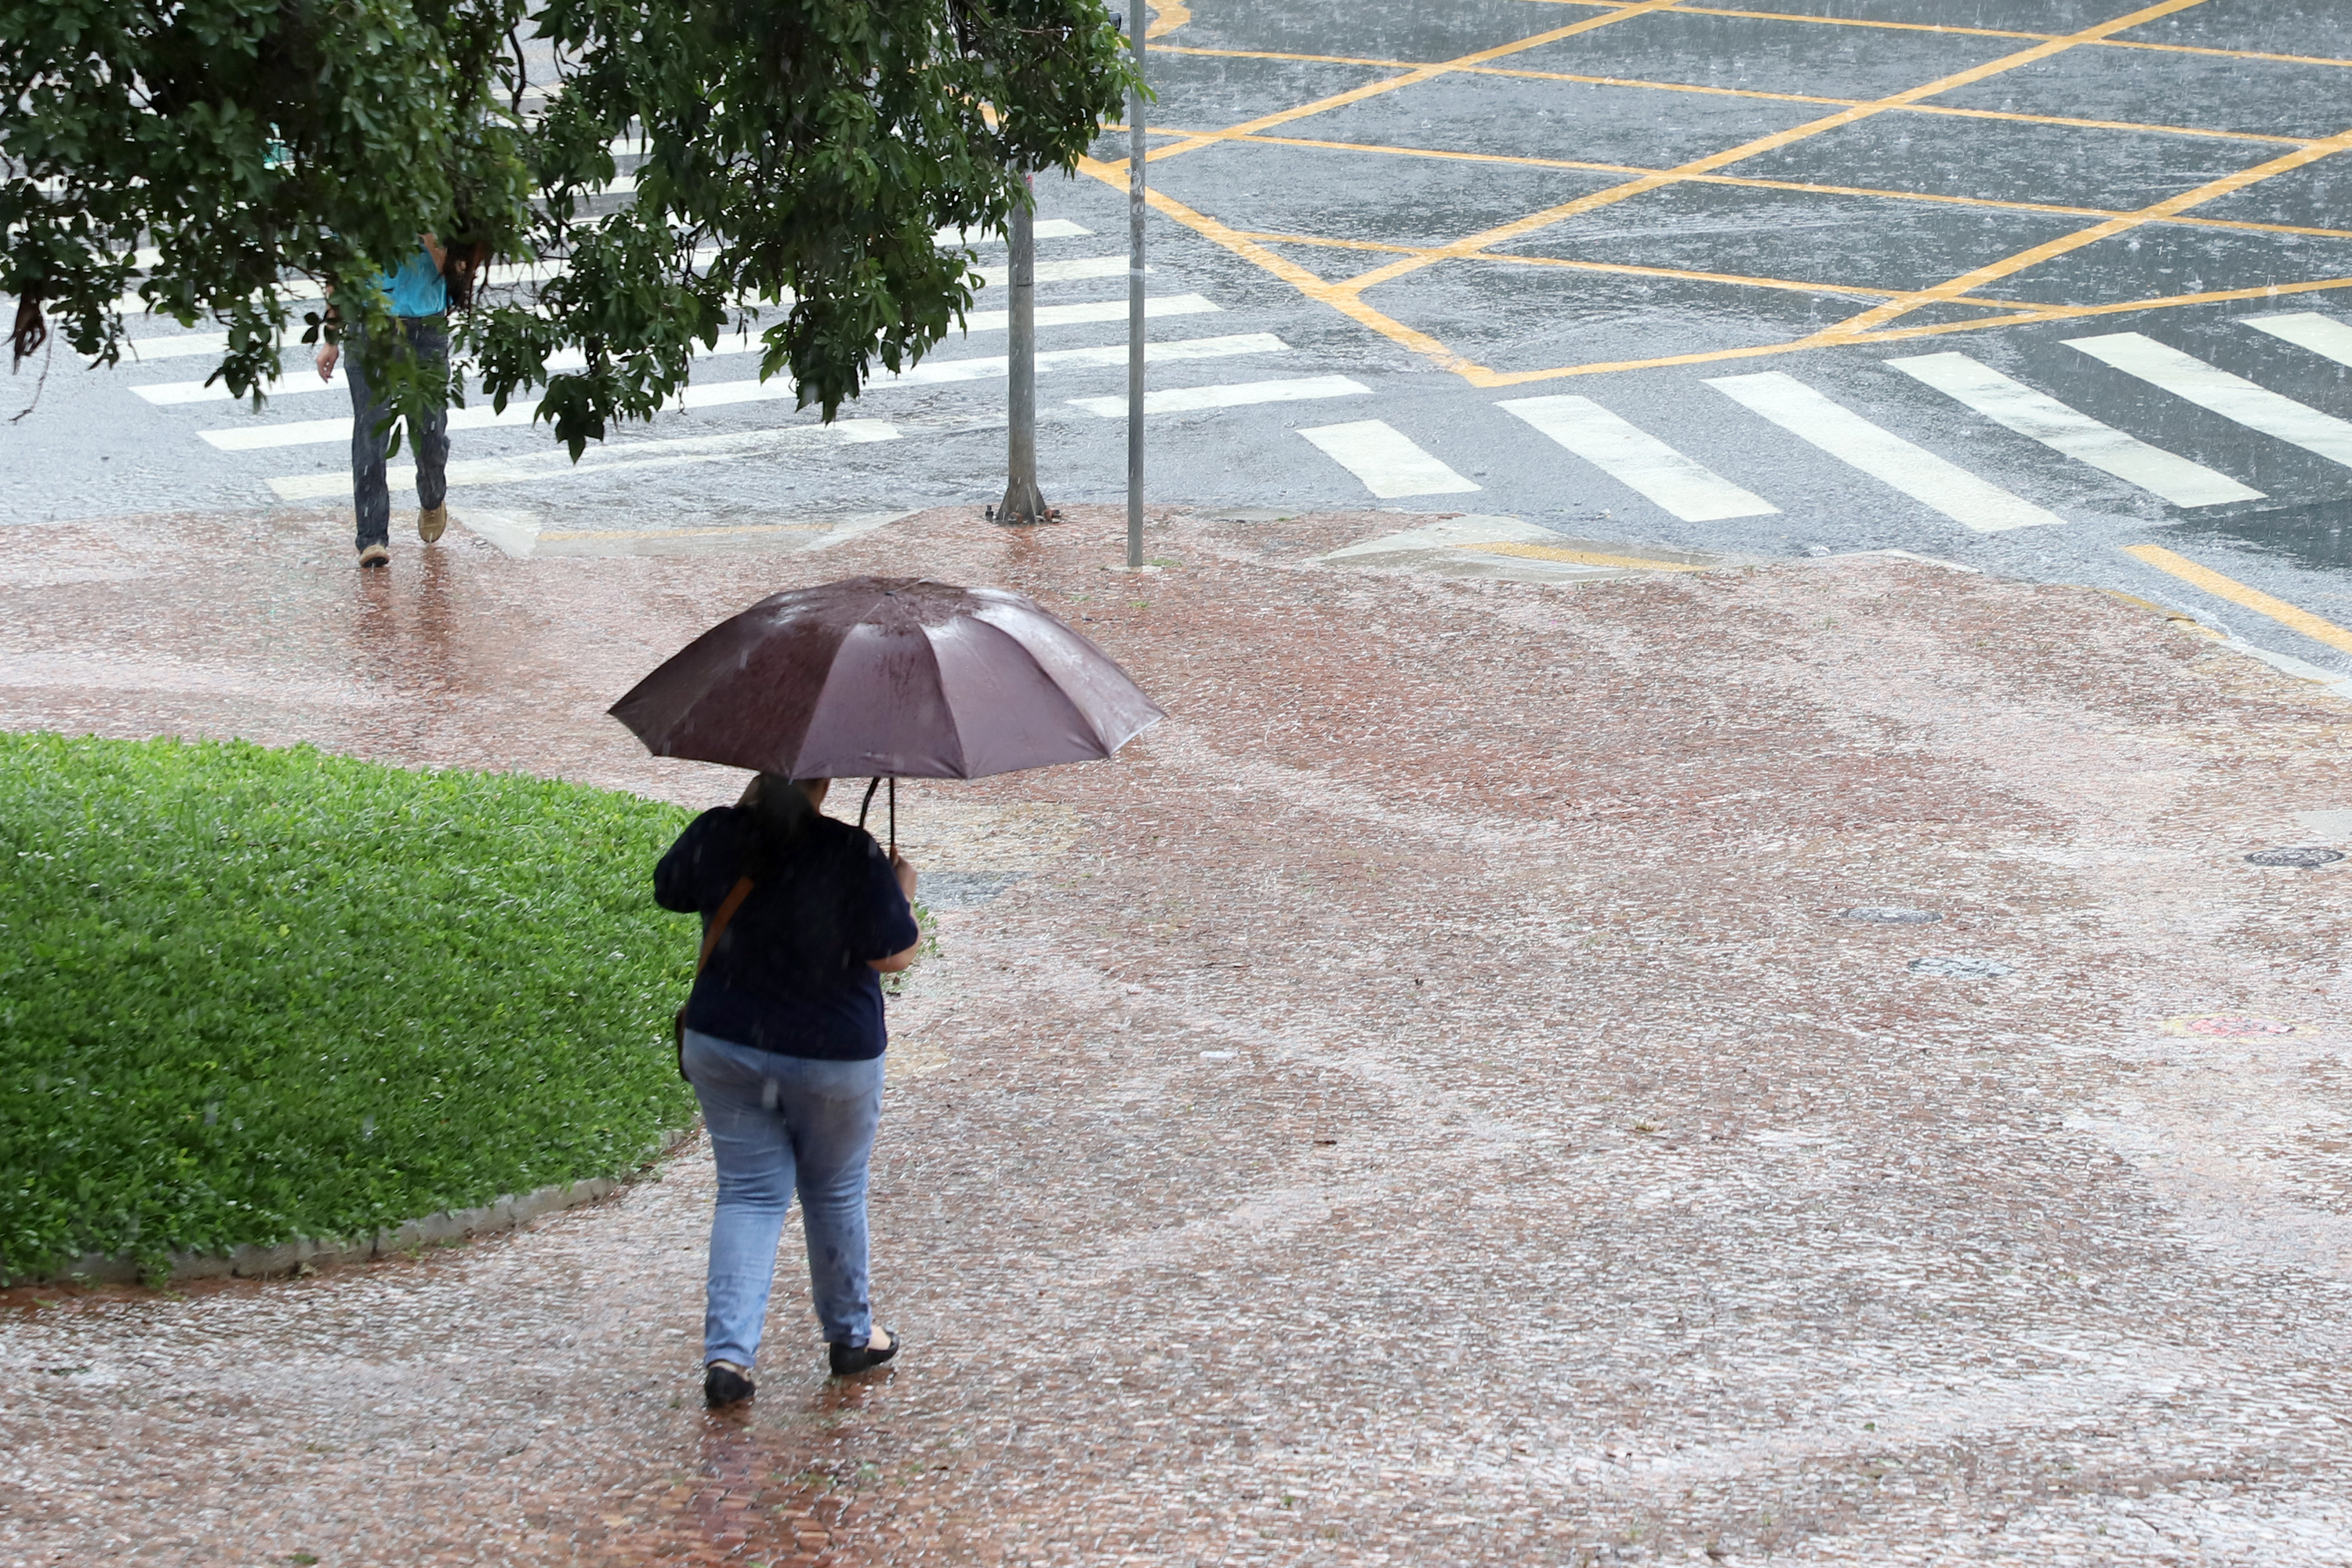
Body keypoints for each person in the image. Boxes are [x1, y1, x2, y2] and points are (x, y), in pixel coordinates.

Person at [655, 774, 923, 1406]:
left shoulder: (719, 832)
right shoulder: (850, 851)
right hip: (831, 1055)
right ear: (824, 779)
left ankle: (729, 1358)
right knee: (833, 1189)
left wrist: (742, 818)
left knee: (748, 1195)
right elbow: (893, 955)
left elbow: (669, 889)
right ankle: (851, 1337)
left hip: (727, 1043)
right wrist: (901, 890)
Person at [314, 237, 452, 568]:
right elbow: (338, 270)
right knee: (370, 431)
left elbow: (454, 272)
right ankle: (371, 536)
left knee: (430, 428)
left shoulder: (436, 212)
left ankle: (432, 496)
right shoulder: (359, 211)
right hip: (368, 329)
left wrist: (428, 237)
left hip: (426, 327)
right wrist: (331, 336)